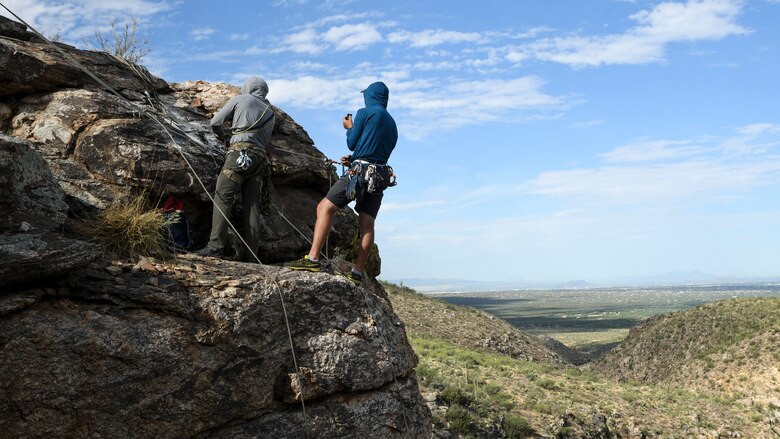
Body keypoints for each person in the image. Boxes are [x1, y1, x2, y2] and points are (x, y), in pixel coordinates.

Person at [287, 81, 398, 285]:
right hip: (379, 177)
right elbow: (375, 151)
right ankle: (357, 272)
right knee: (367, 225)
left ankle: (313, 259)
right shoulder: (392, 123)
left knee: (324, 208)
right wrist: (354, 158)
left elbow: (352, 141)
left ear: (371, 96)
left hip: (359, 174)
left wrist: (349, 128)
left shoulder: (365, 112)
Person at [194, 76, 275, 260]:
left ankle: (215, 246)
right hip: (259, 161)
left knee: (223, 196)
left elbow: (215, 122)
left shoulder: (241, 99)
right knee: (253, 207)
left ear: (248, 87)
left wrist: (223, 135)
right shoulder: (270, 112)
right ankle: (252, 255)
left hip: (239, 155)